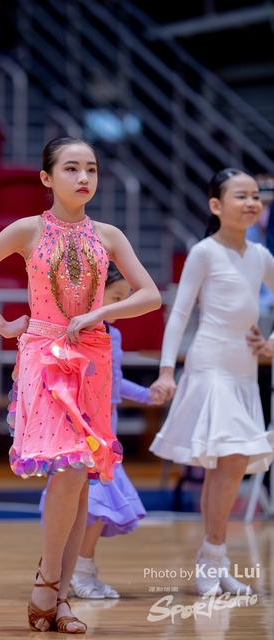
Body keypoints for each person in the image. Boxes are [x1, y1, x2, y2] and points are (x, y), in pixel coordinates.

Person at [0, 137, 161, 633]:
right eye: (71, 168)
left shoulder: (108, 235)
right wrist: (4, 325)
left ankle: (60, 598)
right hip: (44, 356)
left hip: (92, 358)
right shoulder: (27, 229)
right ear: (47, 178)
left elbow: (151, 295)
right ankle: (48, 582)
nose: (84, 177)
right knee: (69, 467)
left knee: (80, 474)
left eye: (91, 168)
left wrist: (100, 312)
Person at [149, 168, 274, 597]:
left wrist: (271, 343)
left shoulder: (261, 256)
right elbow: (180, 313)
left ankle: (213, 559)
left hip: (244, 371)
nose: (252, 202)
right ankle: (212, 558)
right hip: (210, 366)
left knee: (227, 465)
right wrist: (167, 370)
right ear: (216, 205)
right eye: (241, 195)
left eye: (255, 195)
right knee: (232, 458)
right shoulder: (203, 252)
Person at [39, 262, 165, 599]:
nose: (122, 305)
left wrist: (148, 395)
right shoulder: (70, 330)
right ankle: (71, 573)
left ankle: (79, 571)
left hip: (106, 435)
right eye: (117, 297)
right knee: (91, 507)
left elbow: (115, 382)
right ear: (95, 293)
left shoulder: (114, 335)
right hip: (78, 430)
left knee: (95, 509)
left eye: (126, 298)